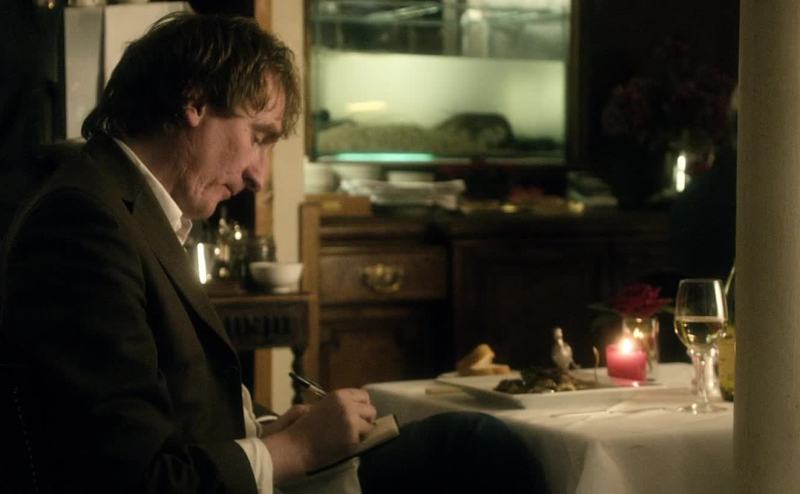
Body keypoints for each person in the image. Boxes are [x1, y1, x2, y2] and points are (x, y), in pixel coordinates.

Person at [0, 13, 542, 493]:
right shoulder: (82, 224)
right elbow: (133, 479)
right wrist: (297, 450)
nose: (259, 177)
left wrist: (266, 429)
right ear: (194, 101)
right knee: (475, 447)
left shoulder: (131, 208)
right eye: (259, 137)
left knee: (469, 442)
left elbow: (179, 410)